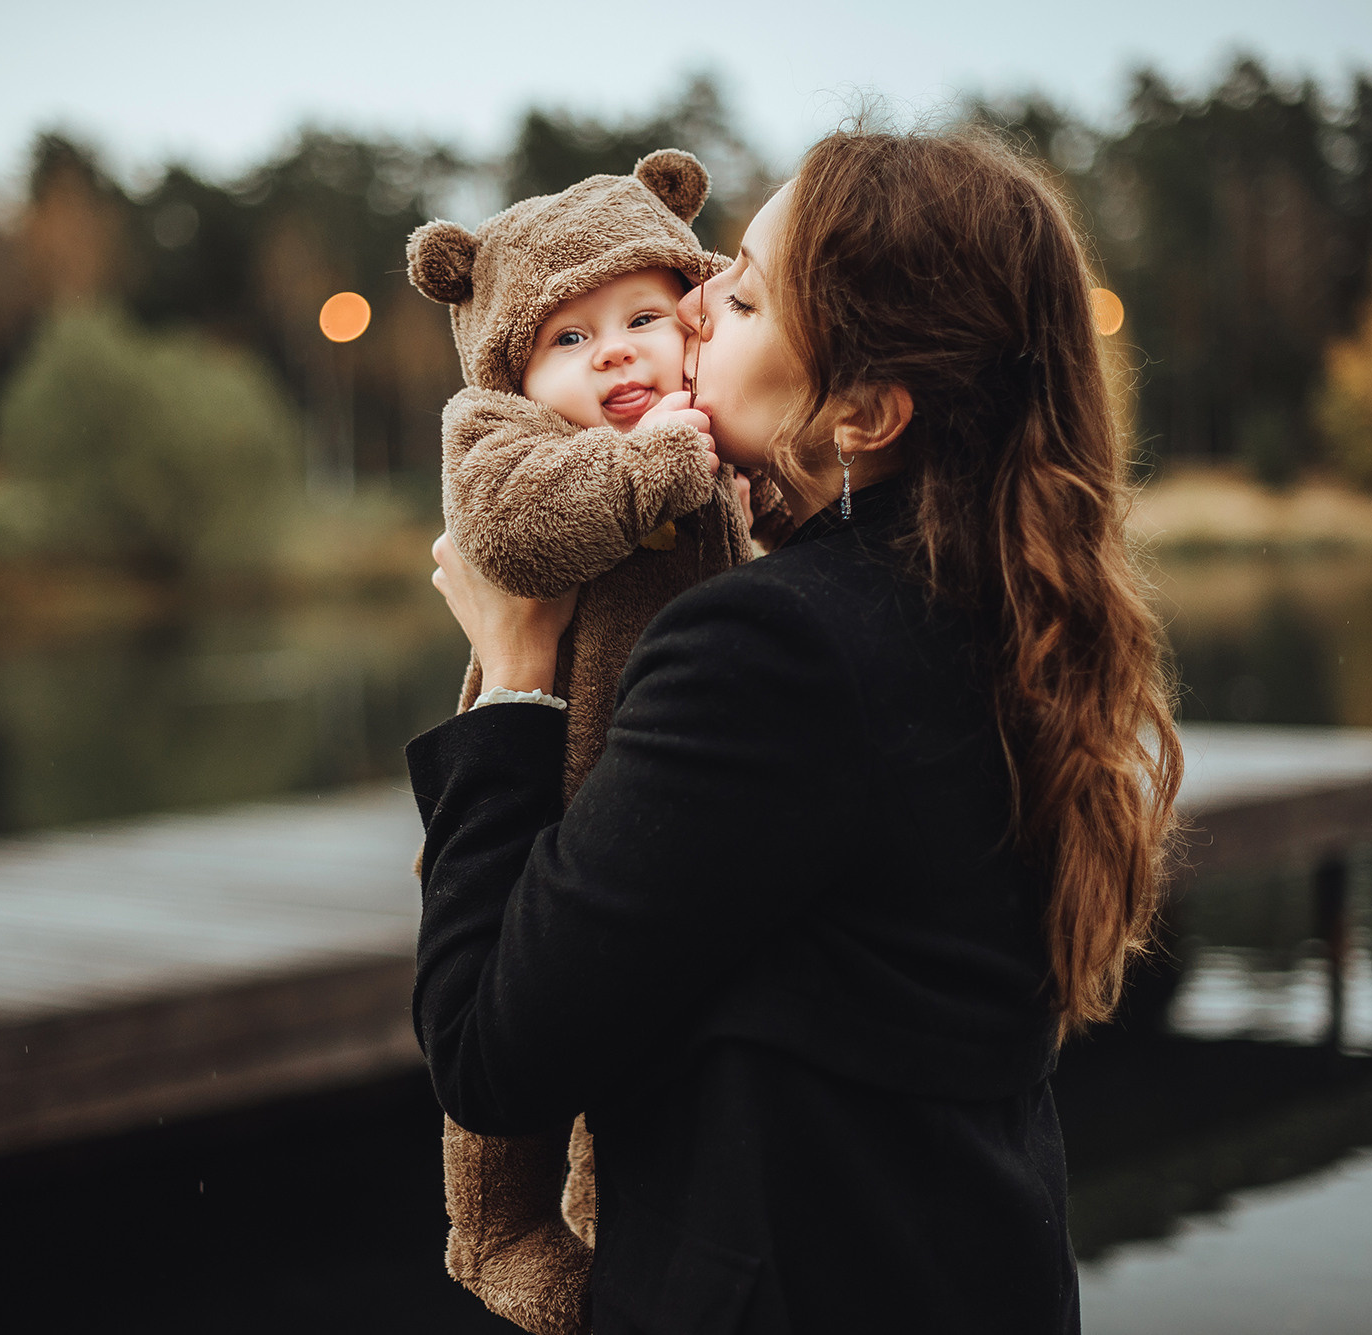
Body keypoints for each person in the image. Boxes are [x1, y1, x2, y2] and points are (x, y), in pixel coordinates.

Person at [409, 125, 1183, 1335]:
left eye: (748, 292)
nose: (697, 296)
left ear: (866, 409)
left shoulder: (770, 652)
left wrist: (514, 675)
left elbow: (489, 1051)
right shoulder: (999, 613)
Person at [405, 148, 784, 1335]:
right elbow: (512, 539)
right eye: (566, 339)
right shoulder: (497, 437)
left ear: (691, 311)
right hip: (549, 790)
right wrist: (665, 459)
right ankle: (498, 1234)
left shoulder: (712, 418)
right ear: (508, 369)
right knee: (512, 1050)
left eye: (638, 316)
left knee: (620, 1089)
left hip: (672, 791)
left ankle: (599, 1226)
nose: (613, 350)